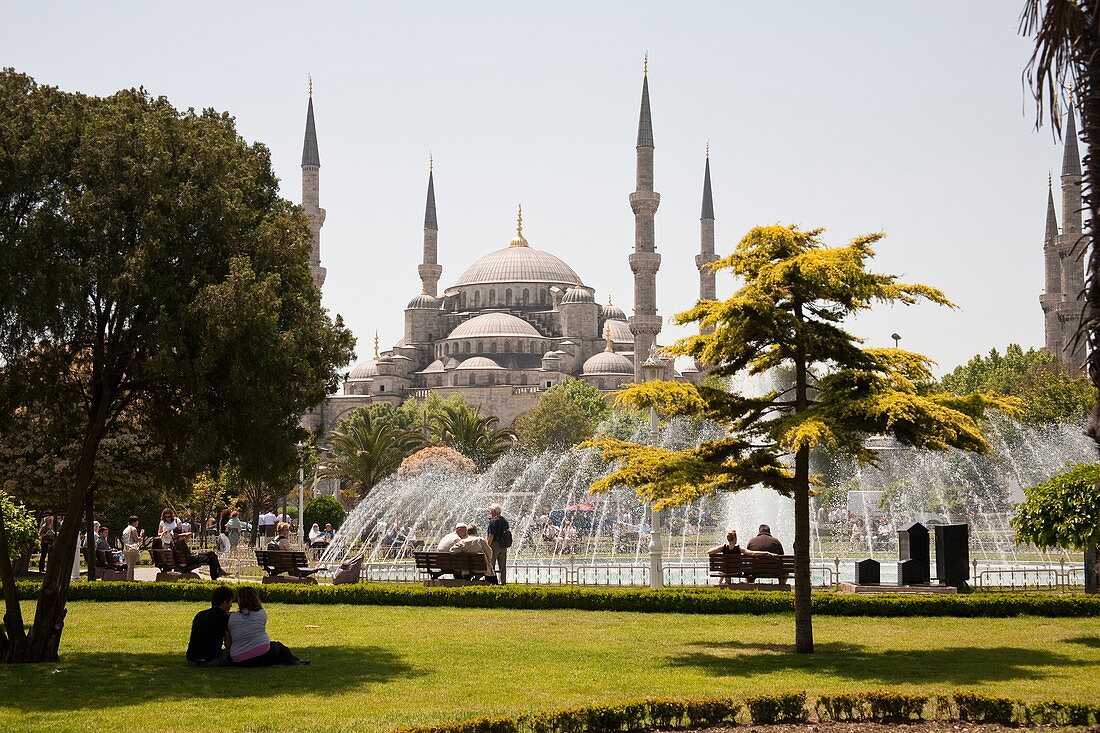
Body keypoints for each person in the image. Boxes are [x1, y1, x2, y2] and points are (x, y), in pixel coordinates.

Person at [227, 586, 309, 666]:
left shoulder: (233, 617)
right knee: (278, 646)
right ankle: (295, 661)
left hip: (238, 659)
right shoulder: (261, 613)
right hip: (262, 655)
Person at [708, 529, 777, 587]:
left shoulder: (723, 547)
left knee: (725, 568)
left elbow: (709, 552)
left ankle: (720, 583)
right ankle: (723, 582)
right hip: (736, 572)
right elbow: (752, 553)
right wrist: (766, 553)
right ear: (735, 539)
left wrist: (719, 551)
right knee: (728, 568)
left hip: (726, 571)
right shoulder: (739, 548)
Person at [186, 586, 235, 666]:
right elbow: (228, 644)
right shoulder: (225, 618)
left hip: (192, 659)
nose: (231, 605)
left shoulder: (200, 615)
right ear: (224, 603)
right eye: (230, 602)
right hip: (211, 659)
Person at [486, 503, 511, 585]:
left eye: (490, 510)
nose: (489, 512)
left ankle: (492, 581)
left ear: (493, 511)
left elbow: (491, 535)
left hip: (494, 545)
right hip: (503, 545)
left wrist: (487, 546)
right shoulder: (504, 520)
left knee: (491, 564)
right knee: (502, 565)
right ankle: (503, 582)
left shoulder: (493, 521)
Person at [121, 516, 144, 581]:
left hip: (126, 549)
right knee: (131, 566)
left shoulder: (125, 529)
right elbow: (136, 540)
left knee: (129, 565)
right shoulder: (133, 529)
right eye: (137, 521)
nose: (138, 523)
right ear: (134, 522)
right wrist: (141, 535)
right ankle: (129, 580)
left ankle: (131, 579)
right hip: (131, 549)